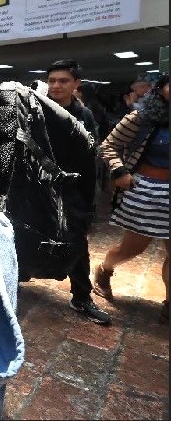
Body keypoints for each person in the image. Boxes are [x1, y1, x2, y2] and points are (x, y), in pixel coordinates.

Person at [94, 73, 169, 323]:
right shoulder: (142, 117)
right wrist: (119, 171)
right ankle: (105, 270)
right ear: (160, 89)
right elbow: (108, 145)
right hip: (146, 189)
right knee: (133, 248)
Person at [45, 60, 111, 325]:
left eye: (62, 81)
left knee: (76, 242)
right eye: (52, 81)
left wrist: (89, 201)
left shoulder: (84, 116)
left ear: (76, 85)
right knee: (16, 233)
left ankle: (81, 297)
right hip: (36, 185)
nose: (56, 86)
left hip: (71, 188)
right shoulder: (35, 110)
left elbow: (90, 158)